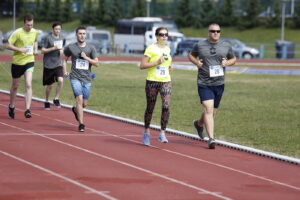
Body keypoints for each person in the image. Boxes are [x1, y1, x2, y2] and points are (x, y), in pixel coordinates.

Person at [188, 23, 236, 149]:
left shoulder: (226, 45)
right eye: (213, 31)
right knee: (208, 109)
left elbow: (234, 59)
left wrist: (227, 63)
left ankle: (198, 124)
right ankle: (211, 139)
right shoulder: (200, 45)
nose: (215, 33)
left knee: (212, 112)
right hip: (204, 83)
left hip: (219, 83)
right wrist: (196, 62)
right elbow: (191, 55)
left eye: (218, 31)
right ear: (208, 32)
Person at [140, 27, 172, 146]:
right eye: (161, 34)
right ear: (156, 36)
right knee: (150, 108)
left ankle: (162, 132)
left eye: (166, 34)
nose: (164, 36)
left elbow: (167, 62)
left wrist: (169, 67)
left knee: (166, 105)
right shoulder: (151, 48)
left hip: (165, 81)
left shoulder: (168, 49)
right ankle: (147, 132)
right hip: (152, 82)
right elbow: (142, 65)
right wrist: (156, 63)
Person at [63, 26, 99, 132]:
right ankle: (81, 124)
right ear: (76, 35)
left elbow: (97, 63)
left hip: (87, 78)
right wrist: (65, 70)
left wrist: (86, 58)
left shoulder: (91, 48)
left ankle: (75, 110)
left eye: (84, 34)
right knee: (79, 98)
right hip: (75, 77)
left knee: (84, 104)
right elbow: (64, 59)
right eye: (80, 33)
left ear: (86, 35)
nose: (82, 35)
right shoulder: (71, 47)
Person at [5, 13, 38, 119]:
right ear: (24, 23)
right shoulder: (17, 33)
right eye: (28, 25)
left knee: (28, 84)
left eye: (31, 25)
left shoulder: (34, 32)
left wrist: (36, 49)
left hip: (29, 60)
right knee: (15, 86)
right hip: (17, 62)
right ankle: (11, 106)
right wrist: (19, 50)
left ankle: (27, 109)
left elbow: (35, 41)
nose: (30, 27)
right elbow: (8, 45)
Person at [41, 22, 64, 110]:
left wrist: (62, 51)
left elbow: (61, 48)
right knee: (49, 85)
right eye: (56, 29)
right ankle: (46, 101)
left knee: (61, 80)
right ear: (53, 29)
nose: (57, 31)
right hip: (48, 64)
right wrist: (53, 48)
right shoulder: (48, 38)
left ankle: (56, 98)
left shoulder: (62, 38)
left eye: (59, 29)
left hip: (58, 63)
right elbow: (42, 51)